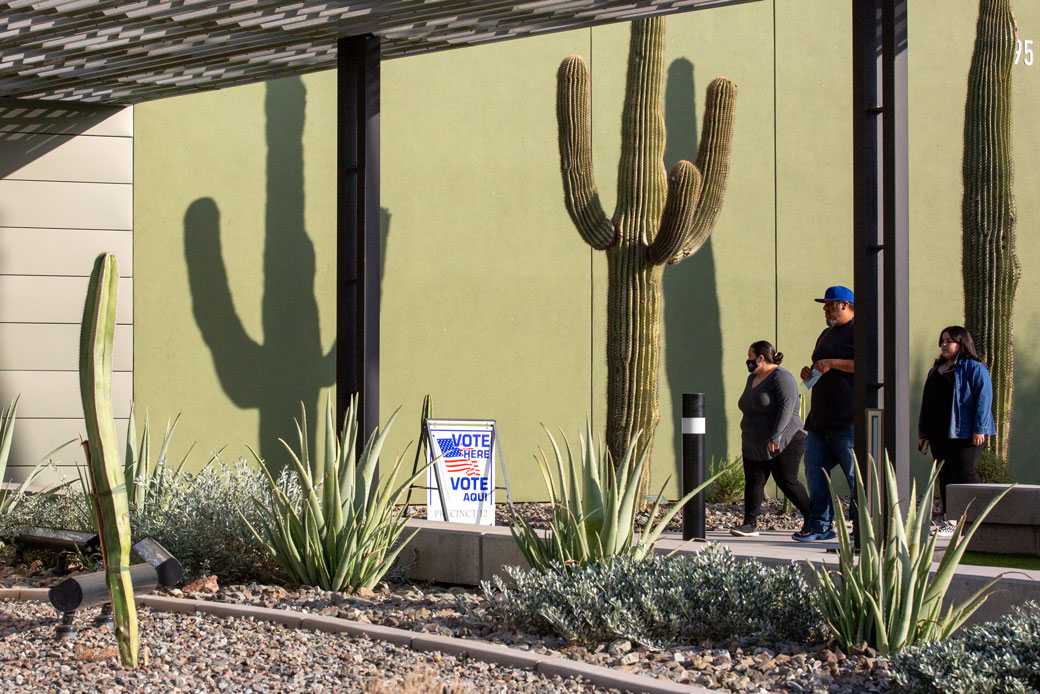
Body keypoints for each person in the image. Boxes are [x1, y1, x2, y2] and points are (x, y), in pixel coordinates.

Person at [917, 325, 995, 536]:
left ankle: (983, 517)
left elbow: (983, 400)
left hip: (966, 433)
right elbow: (927, 403)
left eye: (949, 341)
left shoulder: (974, 368)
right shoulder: (936, 370)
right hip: (939, 433)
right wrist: (922, 433)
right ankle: (950, 522)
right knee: (945, 476)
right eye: (942, 340)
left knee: (965, 473)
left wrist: (979, 429)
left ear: (962, 343)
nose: (944, 344)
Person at [730, 341, 811, 537]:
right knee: (754, 480)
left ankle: (814, 519)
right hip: (754, 441)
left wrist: (776, 436)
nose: (747, 362)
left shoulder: (782, 378)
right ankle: (749, 524)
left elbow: (788, 408)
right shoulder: (753, 378)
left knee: (786, 481)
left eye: (750, 357)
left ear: (761, 358)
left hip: (785, 440)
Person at [794, 285, 856, 542]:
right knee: (814, 470)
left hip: (846, 419)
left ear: (844, 304)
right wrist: (809, 372)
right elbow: (820, 364)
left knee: (855, 475)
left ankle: (863, 528)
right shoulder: (825, 334)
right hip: (820, 419)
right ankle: (820, 525)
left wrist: (832, 363)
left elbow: (868, 365)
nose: (825, 308)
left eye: (829, 304)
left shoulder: (859, 331)